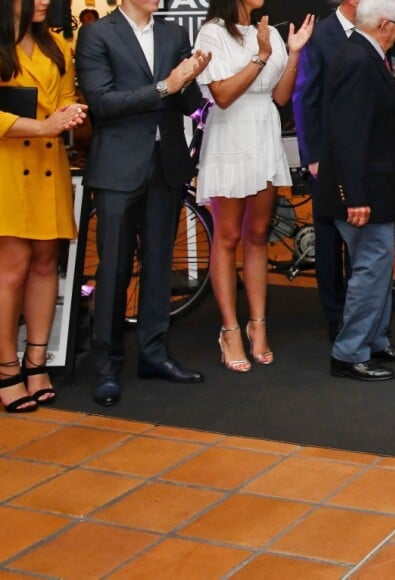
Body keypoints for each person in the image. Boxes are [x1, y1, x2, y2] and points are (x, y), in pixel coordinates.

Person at [75, 0, 211, 406]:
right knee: (114, 269)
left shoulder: (172, 34)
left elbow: (184, 101)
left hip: (165, 165)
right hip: (118, 166)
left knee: (157, 265)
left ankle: (154, 354)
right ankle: (107, 366)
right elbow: (102, 102)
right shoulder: (97, 34)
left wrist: (196, 85)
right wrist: (166, 86)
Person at [193, 0, 314, 372]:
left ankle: (257, 324)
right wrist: (260, 56)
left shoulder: (271, 32)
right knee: (227, 237)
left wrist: (292, 54)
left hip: (264, 133)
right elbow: (224, 96)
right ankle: (229, 329)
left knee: (258, 234)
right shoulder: (212, 32)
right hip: (230, 136)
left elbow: (279, 97)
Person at [317, 0, 395, 382]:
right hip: (362, 192)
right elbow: (347, 134)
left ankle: (375, 340)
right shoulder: (359, 60)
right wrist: (354, 196)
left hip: (374, 186)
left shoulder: (364, 54)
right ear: (382, 25)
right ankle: (349, 352)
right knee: (371, 266)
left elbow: (371, 117)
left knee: (377, 265)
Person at [0, 0, 87, 412]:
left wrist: (70, 113)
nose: (42, 3)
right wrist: (42, 125)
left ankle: (36, 361)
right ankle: (5, 368)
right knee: (12, 267)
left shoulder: (56, 45)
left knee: (45, 263)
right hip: (9, 168)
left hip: (50, 165)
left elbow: (65, 97)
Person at [292, 0, 358, 342]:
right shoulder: (320, 36)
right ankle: (334, 317)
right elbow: (305, 98)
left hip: (363, 156)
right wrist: (313, 155)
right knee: (330, 240)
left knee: (362, 239)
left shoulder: (374, 30)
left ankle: (360, 312)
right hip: (328, 156)